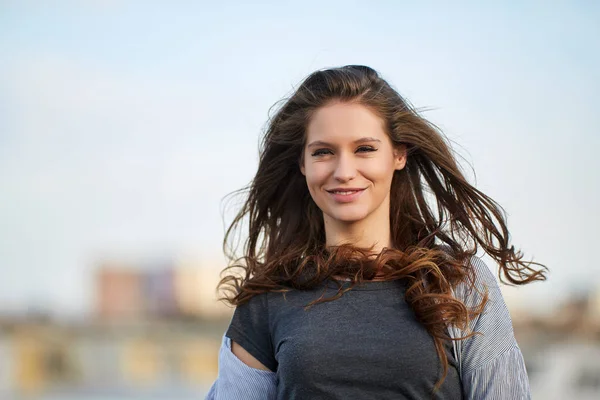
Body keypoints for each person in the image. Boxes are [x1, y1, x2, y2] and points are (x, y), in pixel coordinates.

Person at [205, 65, 547, 399]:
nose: (344, 171)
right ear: (302, 163)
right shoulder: (267, 300)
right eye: (323, 152)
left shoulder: (459, 282)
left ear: (398, 154)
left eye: (364, 149)